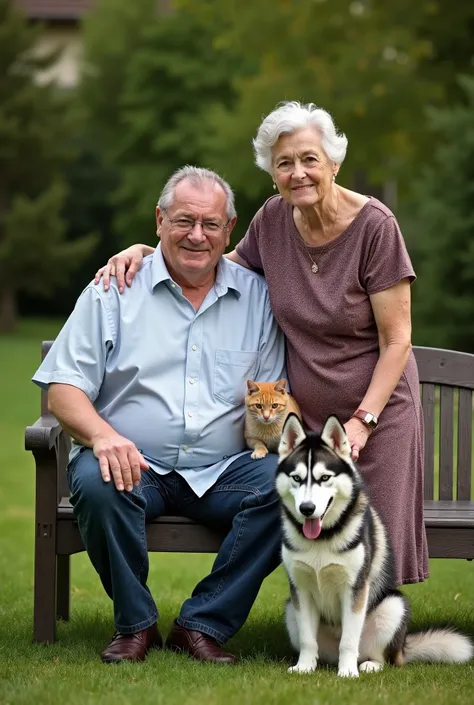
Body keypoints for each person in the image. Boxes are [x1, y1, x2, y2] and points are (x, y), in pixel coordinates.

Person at [96, 102, 428, 586]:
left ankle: (376, 649)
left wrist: (363, 422)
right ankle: (324, 643)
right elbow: (215, 262)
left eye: (310, 159)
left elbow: (397, 340)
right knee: (319, 539)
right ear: (272, 173)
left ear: (333, 163)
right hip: (303, 411)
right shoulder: (273, 220)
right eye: (285, 162)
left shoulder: (375, 227)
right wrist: (150, 251)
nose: (298, 173)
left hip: (375, 413)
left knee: (372, 546)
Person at [33, 166, 287, 664]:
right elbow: (62, 389)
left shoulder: (257, 298)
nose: (197, 235)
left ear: (229, 230)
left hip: (225, 470)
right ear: (159, 221)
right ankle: (136, 625)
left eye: (211, 224)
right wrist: (103, 437)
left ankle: (202, 625)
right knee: (97, 479)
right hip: (135, 463)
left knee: (292, 488)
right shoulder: (113, 290)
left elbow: (275, 396)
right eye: (184, 220)